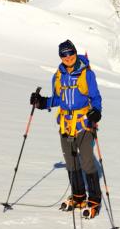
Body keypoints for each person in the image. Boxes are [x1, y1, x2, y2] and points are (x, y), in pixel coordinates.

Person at [30, 39, 103, 219]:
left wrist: (96, 112)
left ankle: (94, 199)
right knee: (71, 162)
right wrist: (42, 102)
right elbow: (58, 99)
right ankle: (78, 196)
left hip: (84, 124)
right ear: (60, 56)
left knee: (86, 161)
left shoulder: (87, 74)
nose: (68, 57)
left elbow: (96, 97)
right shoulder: (58, 75)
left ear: (75, 53)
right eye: (64, 55)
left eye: (70, 53)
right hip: (65, 124)